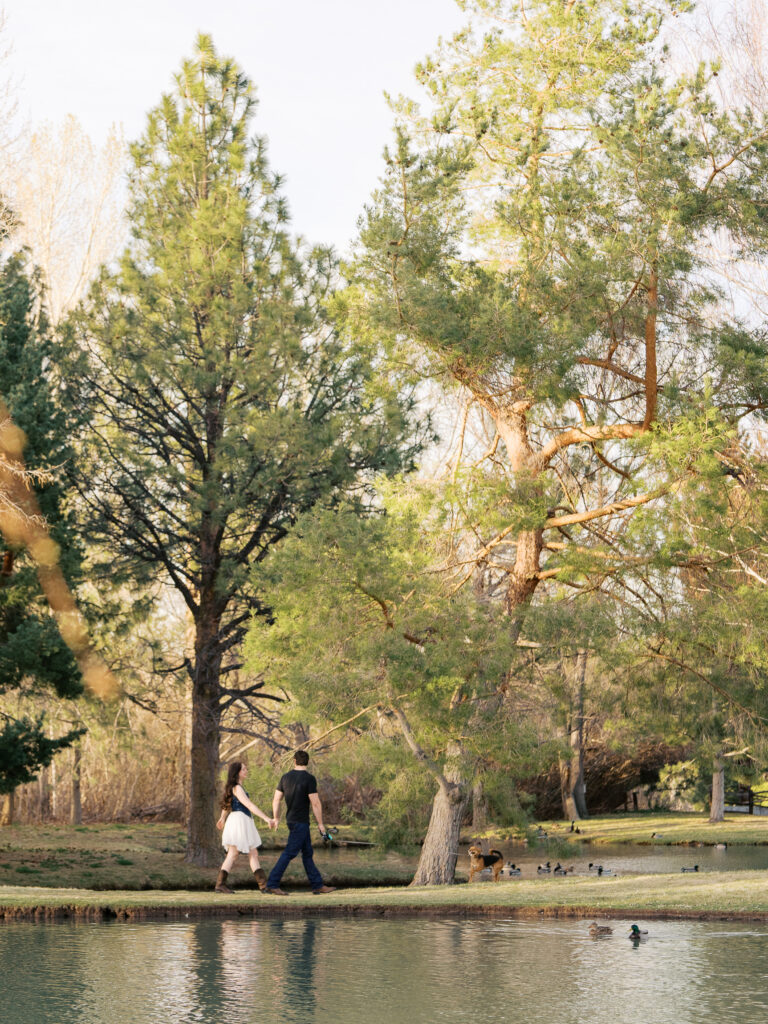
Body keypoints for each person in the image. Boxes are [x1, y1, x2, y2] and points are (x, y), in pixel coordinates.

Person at [264, 749, 336, 895]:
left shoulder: (285, 777)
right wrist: (321, 824)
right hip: (300, 823)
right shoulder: (309, 779)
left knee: (307, 853)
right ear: (307, 762)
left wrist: (276, 818)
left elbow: (276, 799)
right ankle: (272, 883)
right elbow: (315, 803)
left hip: (292, 820)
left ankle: (317, 885)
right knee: (290, 853)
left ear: (294, 761)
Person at [214, 761, 276, 894]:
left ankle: (263, 886)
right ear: (237, 773)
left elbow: (227, 804)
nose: (246, 771)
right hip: (239, 821)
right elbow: (249, 805)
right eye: (244, 769)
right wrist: (266, 818)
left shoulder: (235, 788)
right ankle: (263, 886)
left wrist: (223, 818)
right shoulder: (237, 788)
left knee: (247, 853)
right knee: (237, 853)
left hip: (238, 820)